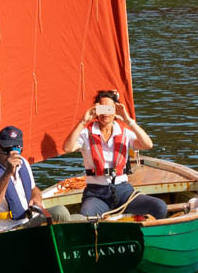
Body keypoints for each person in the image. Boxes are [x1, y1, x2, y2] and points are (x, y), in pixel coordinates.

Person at [62, 90, 169, 219]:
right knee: (87, 217)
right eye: (102, 108)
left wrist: (128, 120)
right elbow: (67, 148)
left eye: (109, 109)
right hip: (96, 193)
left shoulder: (124, 132)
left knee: (160, 207)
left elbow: (148, 145)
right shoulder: (86, 134)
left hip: (123, 191)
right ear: (96, 110)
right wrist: (83, 122)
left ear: (115, 111)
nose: (105, 113)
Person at [0, 125, 48, 224]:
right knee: (59, 213)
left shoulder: (23, 162)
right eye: (6, 150)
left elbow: (33, 189)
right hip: (8, 229)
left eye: (17, 149)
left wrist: (37, 196)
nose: (11, 155)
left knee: (62, 214)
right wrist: (8, 172)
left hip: (28, 221)